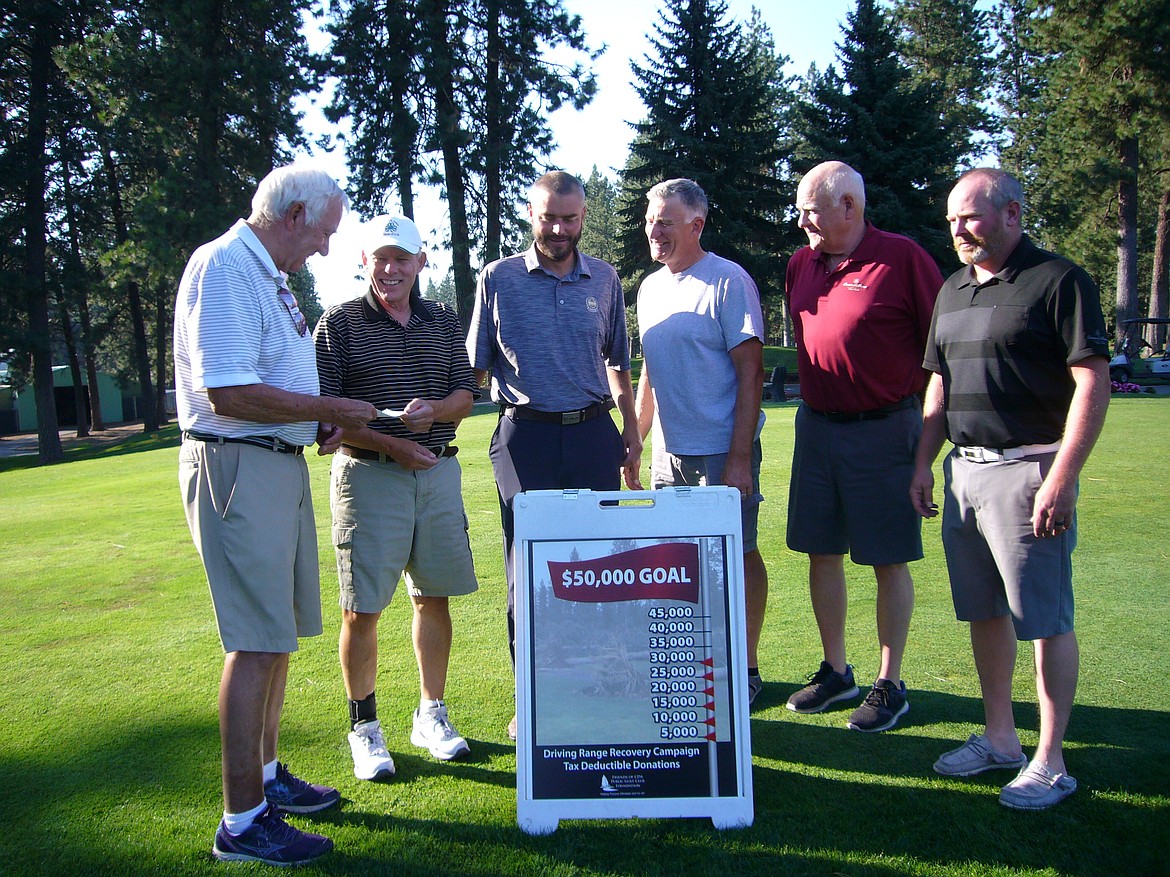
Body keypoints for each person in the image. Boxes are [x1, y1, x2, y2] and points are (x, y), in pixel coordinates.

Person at [174, 165, 377, 866]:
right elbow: (227, 390)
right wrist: (326, 409)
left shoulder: (267, 273)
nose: (325, 249)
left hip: (275, 461)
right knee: (255, 640)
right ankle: (241, 820)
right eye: (323, 233)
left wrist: (310, 423)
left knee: (278, 634)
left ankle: (265, 778)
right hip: (237, 465)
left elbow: (270, 378)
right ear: (293, 215)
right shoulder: (228, 264)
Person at [911, 168, 1110, 809]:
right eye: (951, 221)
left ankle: (1051, 760)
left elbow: (1091, 382)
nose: (959, 231)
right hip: (963, 474)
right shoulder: (951, 291)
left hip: (1031, 472)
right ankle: (1001, 739)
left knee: (1044, 620)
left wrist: (1062, 476)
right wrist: (923, 463)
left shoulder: (1060, 281)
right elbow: (937, 386)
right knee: (984, 612)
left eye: (970, 217)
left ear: (1012, 214)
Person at [466, 170, 642, 740]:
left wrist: (631, 432)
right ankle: (533, 697)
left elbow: (618, 362)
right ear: (531, 215)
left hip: (595, 434)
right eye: (549, 217)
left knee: (603, 567)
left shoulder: (606, 280)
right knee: (529, 571)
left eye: (569, 218)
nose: (559, 228)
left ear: (583, 218)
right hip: (526, 438)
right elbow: (475, 365)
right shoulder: (499, 278)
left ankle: (607, 683)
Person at [314, 215, 479, 779]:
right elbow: (328, 414)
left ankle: (430, 713)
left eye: (402, 259)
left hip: (435, 475)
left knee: (434, 597)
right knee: (362, 608)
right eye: (381, 259)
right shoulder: (338, 323)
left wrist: (435, 411)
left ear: (420, 263)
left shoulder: (440, 319)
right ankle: (364, 727)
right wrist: (395, 444)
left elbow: (465, 391)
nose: (391, 269)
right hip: (369, 477)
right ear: (365, 262)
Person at [784, 160, 943, 732]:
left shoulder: (902, 258)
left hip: (885, 428)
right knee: (819, 549)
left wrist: (925, 447)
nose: (801, 220)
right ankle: (836, 671)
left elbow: (939, 353)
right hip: (817, 426)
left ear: (849, 206)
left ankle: (889, 682)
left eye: (811, 209)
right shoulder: (800, 263)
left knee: (886, 556)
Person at [626, 178, 769, 706]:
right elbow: (650, 375)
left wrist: (738, 459)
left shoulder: (728, 281)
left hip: (720, 452)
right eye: (650, 220)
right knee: (678, 562)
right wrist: (636, 442)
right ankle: (694, 663)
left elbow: (750, 373)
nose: (654, 230)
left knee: (739, 554)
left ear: (696, 224)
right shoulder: (649, 288)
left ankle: (747, 667)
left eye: (665, 220)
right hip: (669, 456)